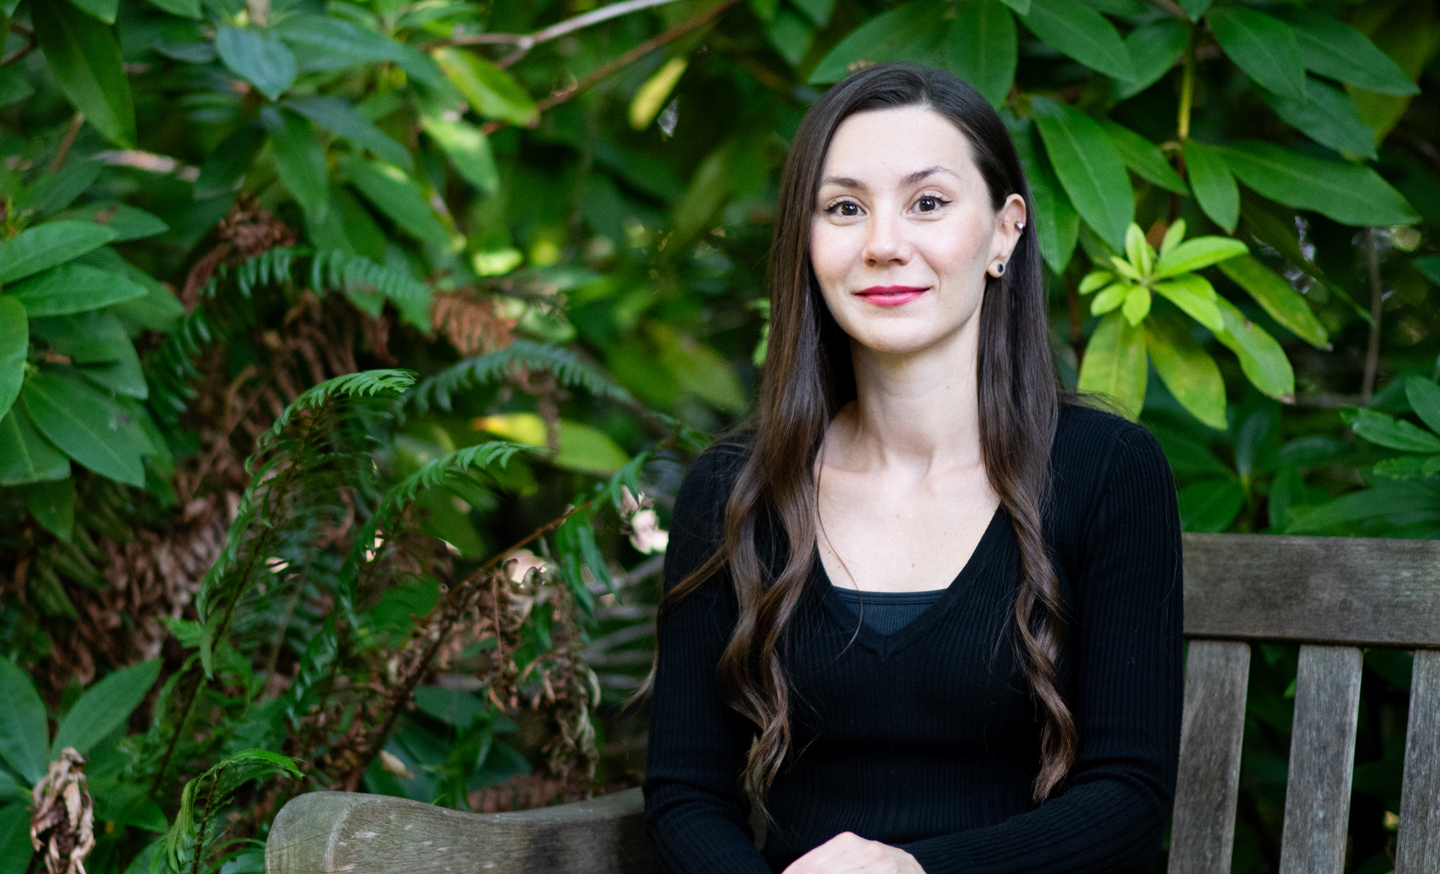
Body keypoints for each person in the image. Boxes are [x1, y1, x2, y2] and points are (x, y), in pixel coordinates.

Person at [642, 62, 1183, 874]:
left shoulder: (1107, 473)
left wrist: (917, 873)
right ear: (807, 240)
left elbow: (1129, 796)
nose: (884, 244)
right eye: (845, 208)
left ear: (1005, 231)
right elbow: (685, 794)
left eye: (927, 203)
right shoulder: (737, 490)